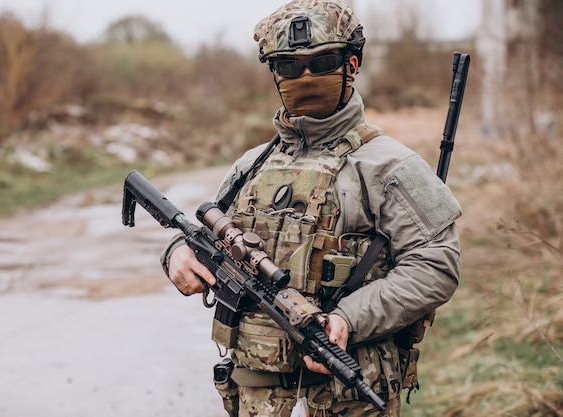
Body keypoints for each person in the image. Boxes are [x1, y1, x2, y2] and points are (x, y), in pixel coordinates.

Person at [160, 1, 461, 416]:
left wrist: (348, 319)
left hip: (349, 395)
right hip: (255, 395)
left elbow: (436, 265)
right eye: (288, 66)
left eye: (323, 63)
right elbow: (207, 234)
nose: (305, 76)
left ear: (351, 64)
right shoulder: (252, 164)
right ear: (273, 73)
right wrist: (175, 253)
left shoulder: (392, 166)